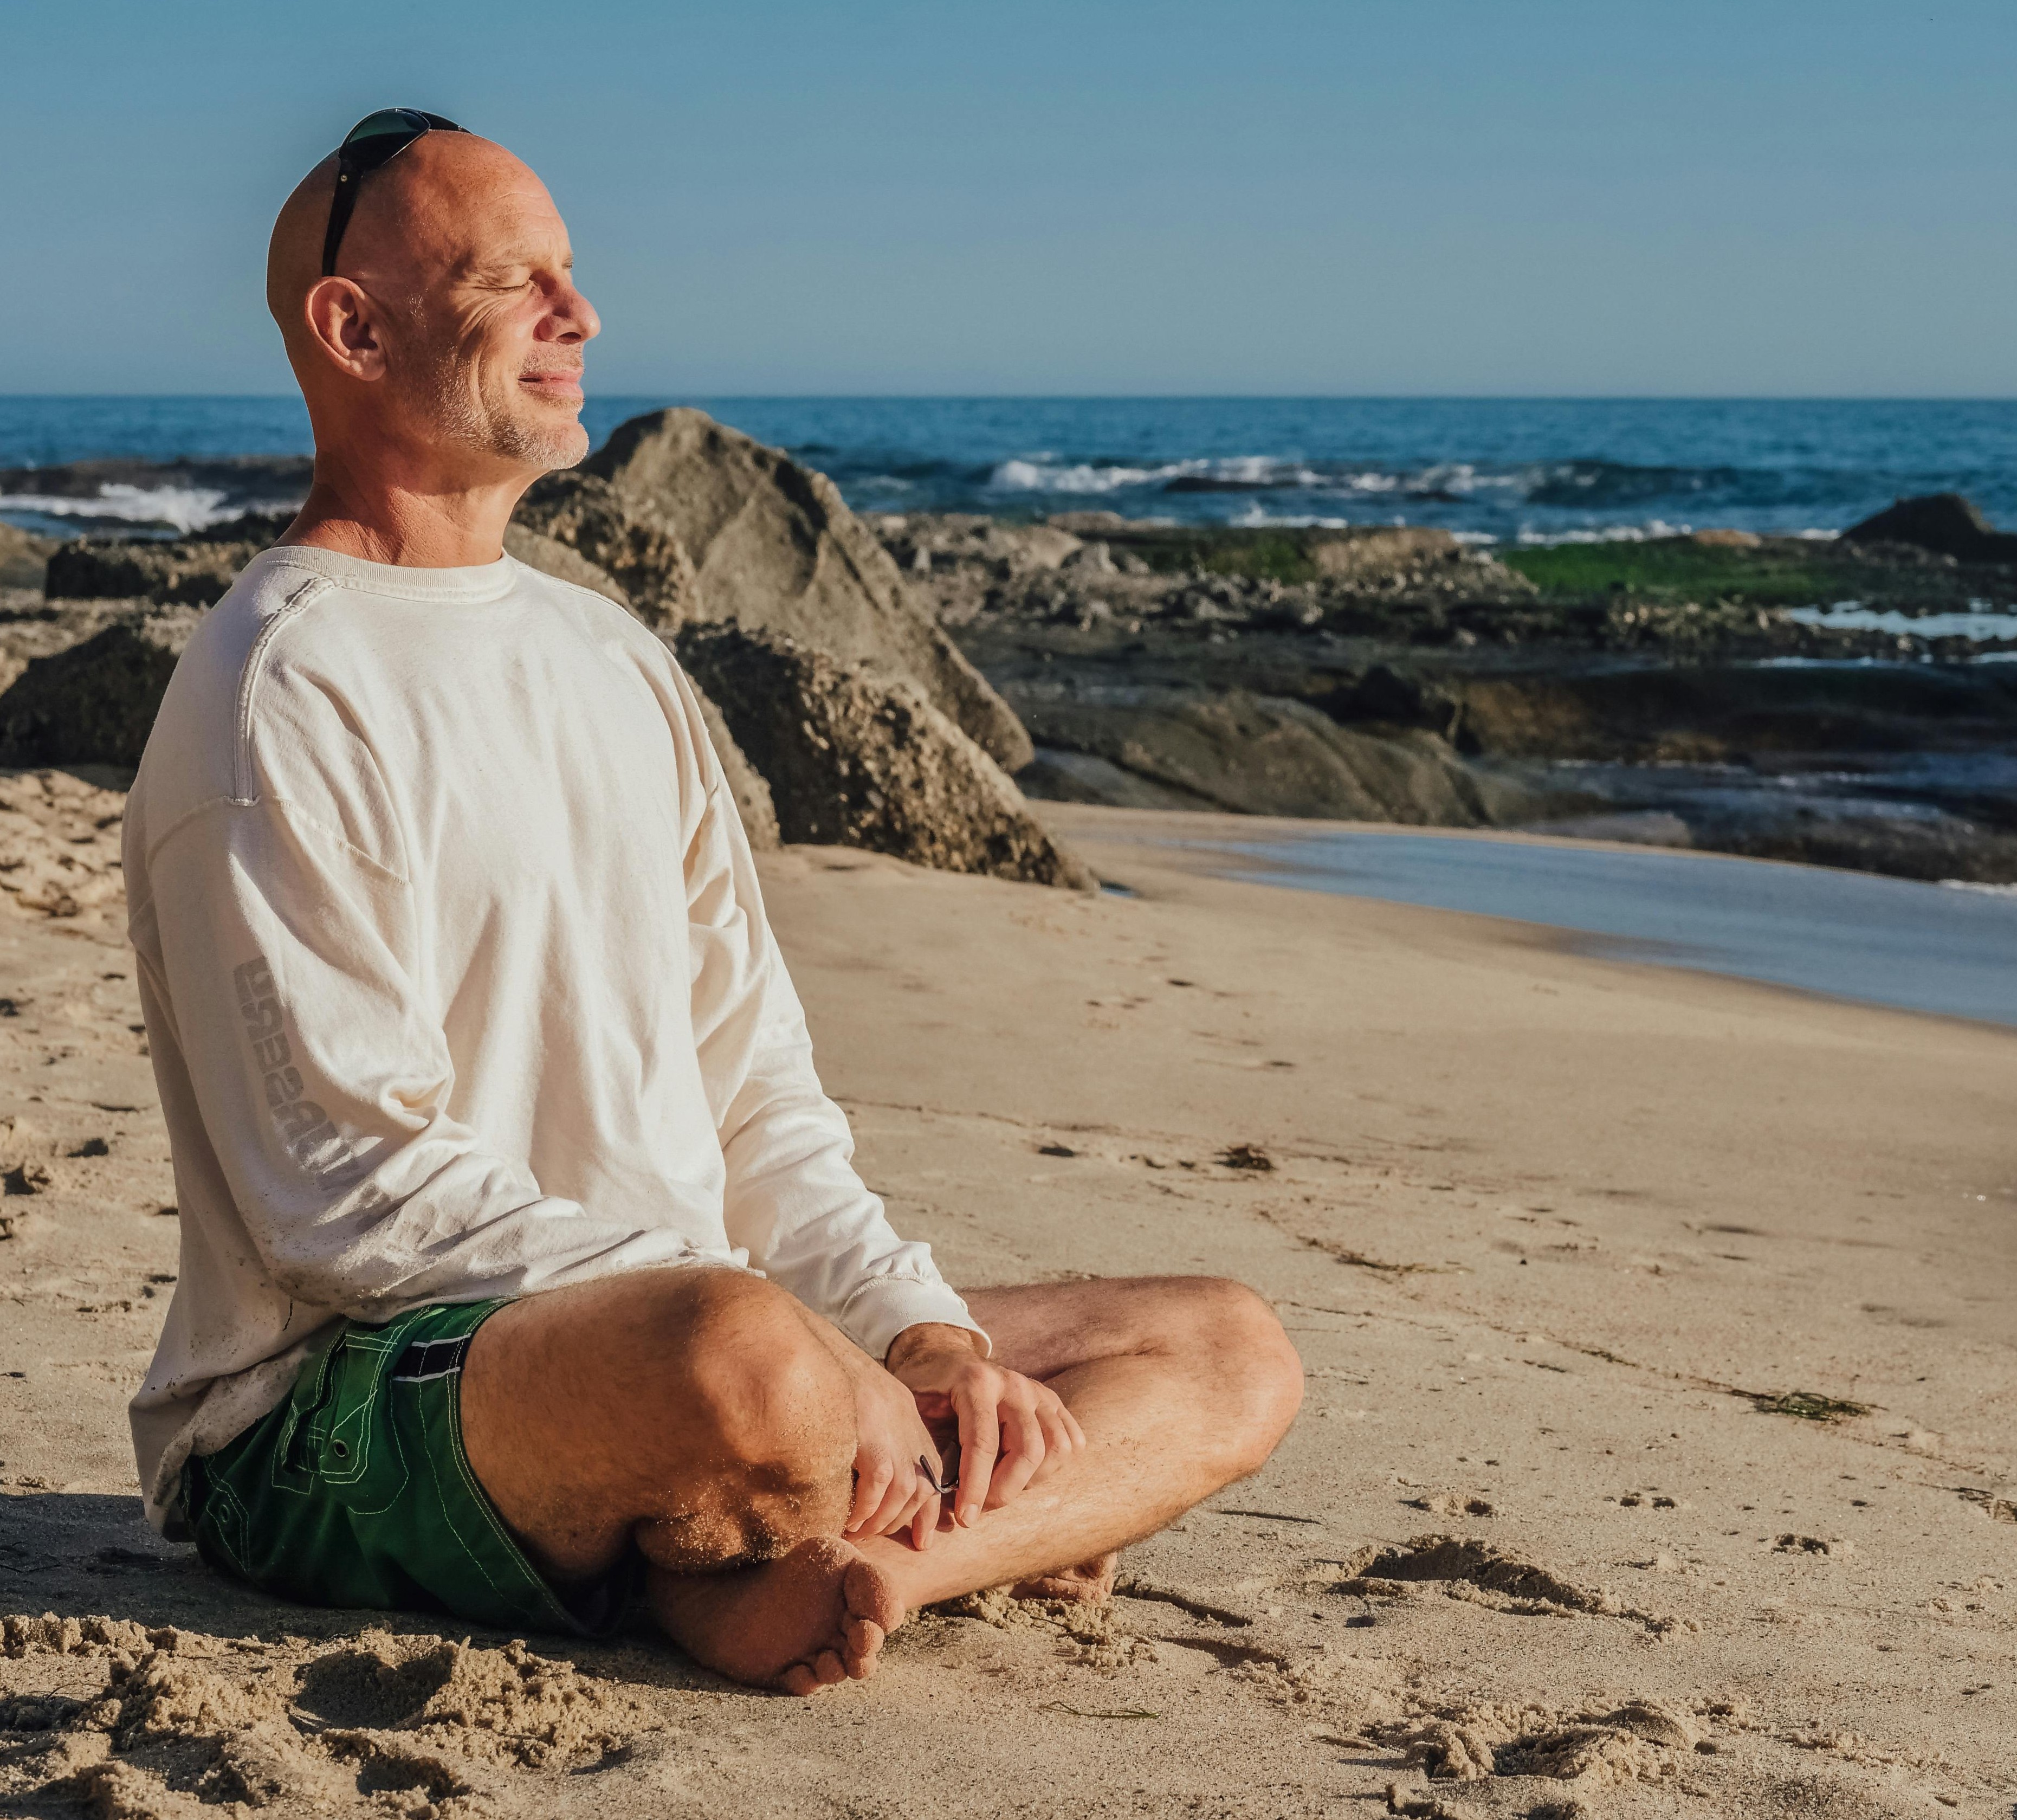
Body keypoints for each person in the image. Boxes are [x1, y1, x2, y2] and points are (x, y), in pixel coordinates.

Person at [121, 110, 1303, 1695]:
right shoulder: (280, 679)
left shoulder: (613, 659)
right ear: (354, 325)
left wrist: (912, 1332)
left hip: (711, 1335)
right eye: (513, 280)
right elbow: (343, 1192)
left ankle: (855, 1560)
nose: (579, 315)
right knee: (738, 1361)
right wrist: (795, 1344)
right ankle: (837, 1521)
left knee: (1225, 1348)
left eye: (573, 274)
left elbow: (757, 1094)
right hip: (348, 1391)